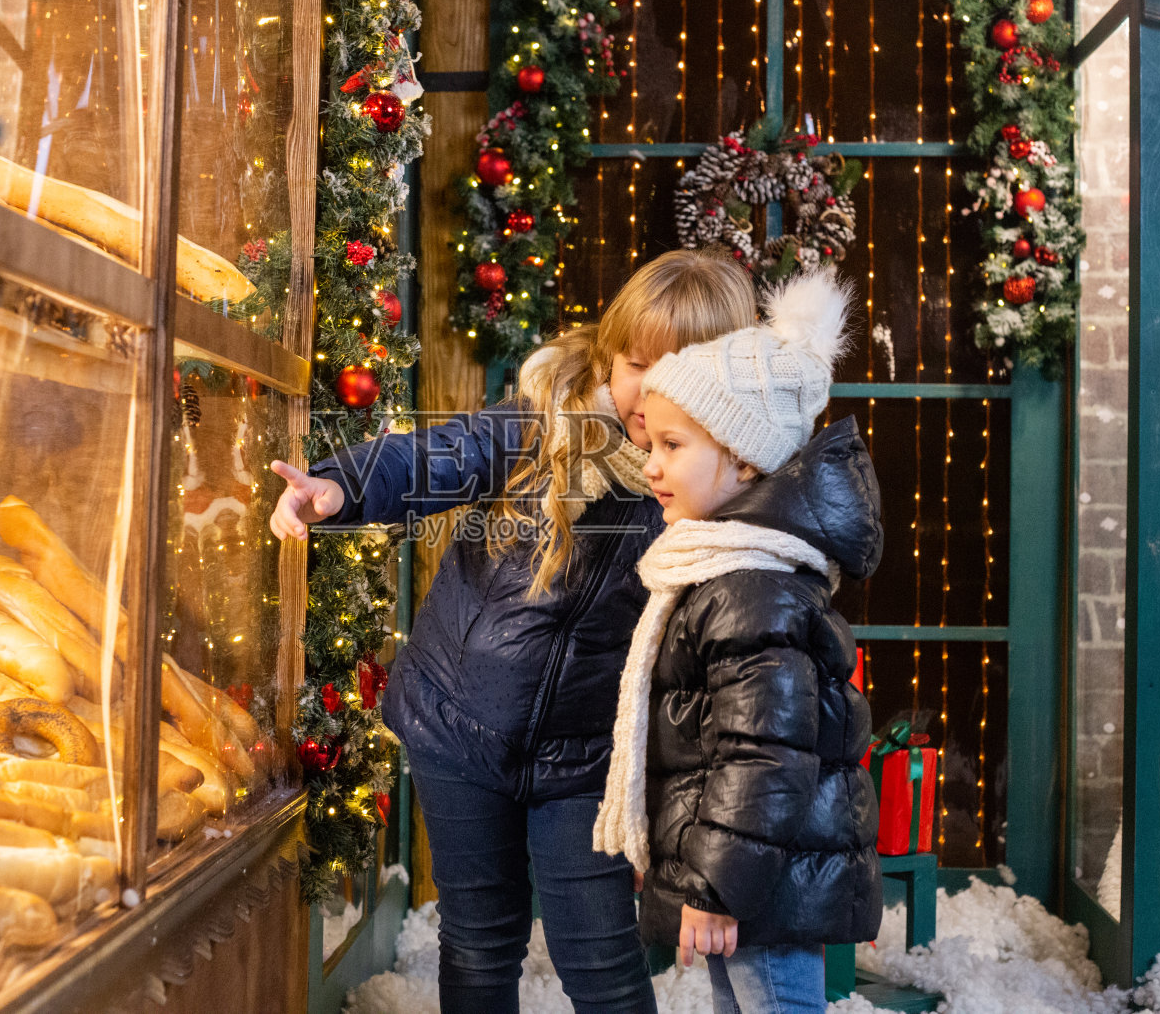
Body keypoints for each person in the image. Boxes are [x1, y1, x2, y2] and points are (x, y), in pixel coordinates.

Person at [268, 248, 757, 1014]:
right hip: (460, 723)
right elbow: (437, 456)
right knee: (478, 937)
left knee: (599, 956)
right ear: (607, 353)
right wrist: (342, 486)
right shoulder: (546, 420)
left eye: (678, 376)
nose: (647, 393)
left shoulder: (700, 477)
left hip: (585, 758)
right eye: (635, 364)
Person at [592, 267, 885, 1014]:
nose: (651, 463)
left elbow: (763, 757)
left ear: (745, 457)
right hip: (760, 878)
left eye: (673, 444)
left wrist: (719, 887)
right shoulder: (720, 567)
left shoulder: (748, 586)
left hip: (764, 885)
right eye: (651, 441)